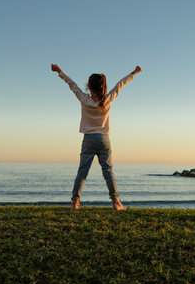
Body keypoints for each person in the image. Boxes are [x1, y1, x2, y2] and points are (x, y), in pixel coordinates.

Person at [51, 63, 142, 210]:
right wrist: (134, 73)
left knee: (82, 172)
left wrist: (58, 71)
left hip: (89, 139)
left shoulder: (84, 99)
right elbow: (121, 84)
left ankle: (75, 202)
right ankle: (116, 203)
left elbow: (71, 83)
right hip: (104, 139)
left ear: (89, 86)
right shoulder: (108, 99)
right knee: (108, 171)